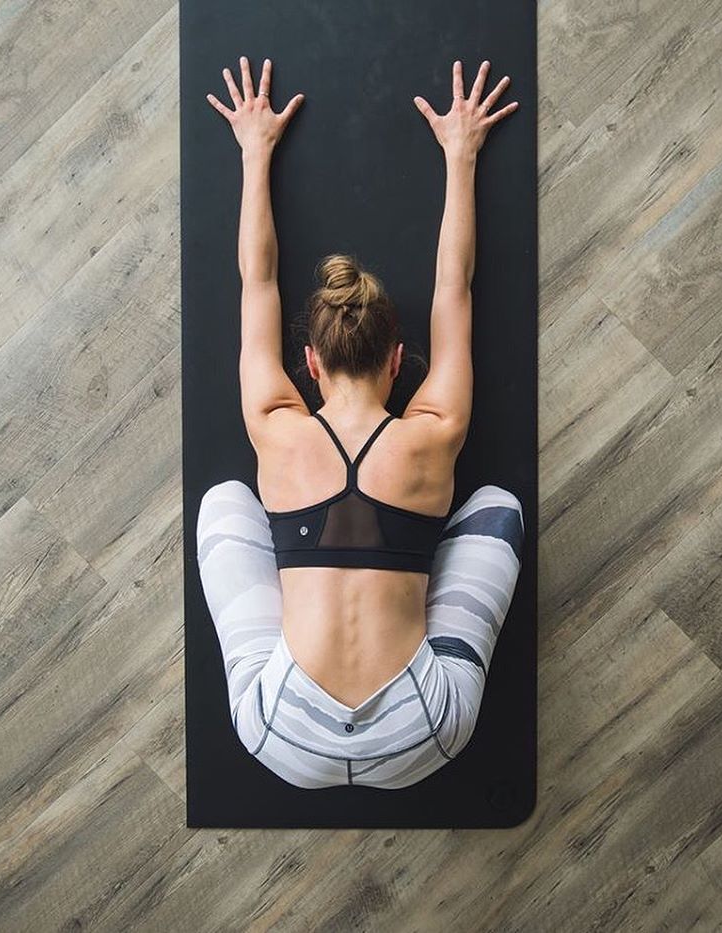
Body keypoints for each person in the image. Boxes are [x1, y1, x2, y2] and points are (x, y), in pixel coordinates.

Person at [199, 55, 524, 789]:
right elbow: (455, 286)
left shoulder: (274, 423)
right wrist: (459, 154)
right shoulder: (434, 428)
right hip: (423, 732)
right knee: (498, 506)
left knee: (225, 500)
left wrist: (255, 152)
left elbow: (258, 280)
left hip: (282, 730)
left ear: (309, 361)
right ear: (399, 359)